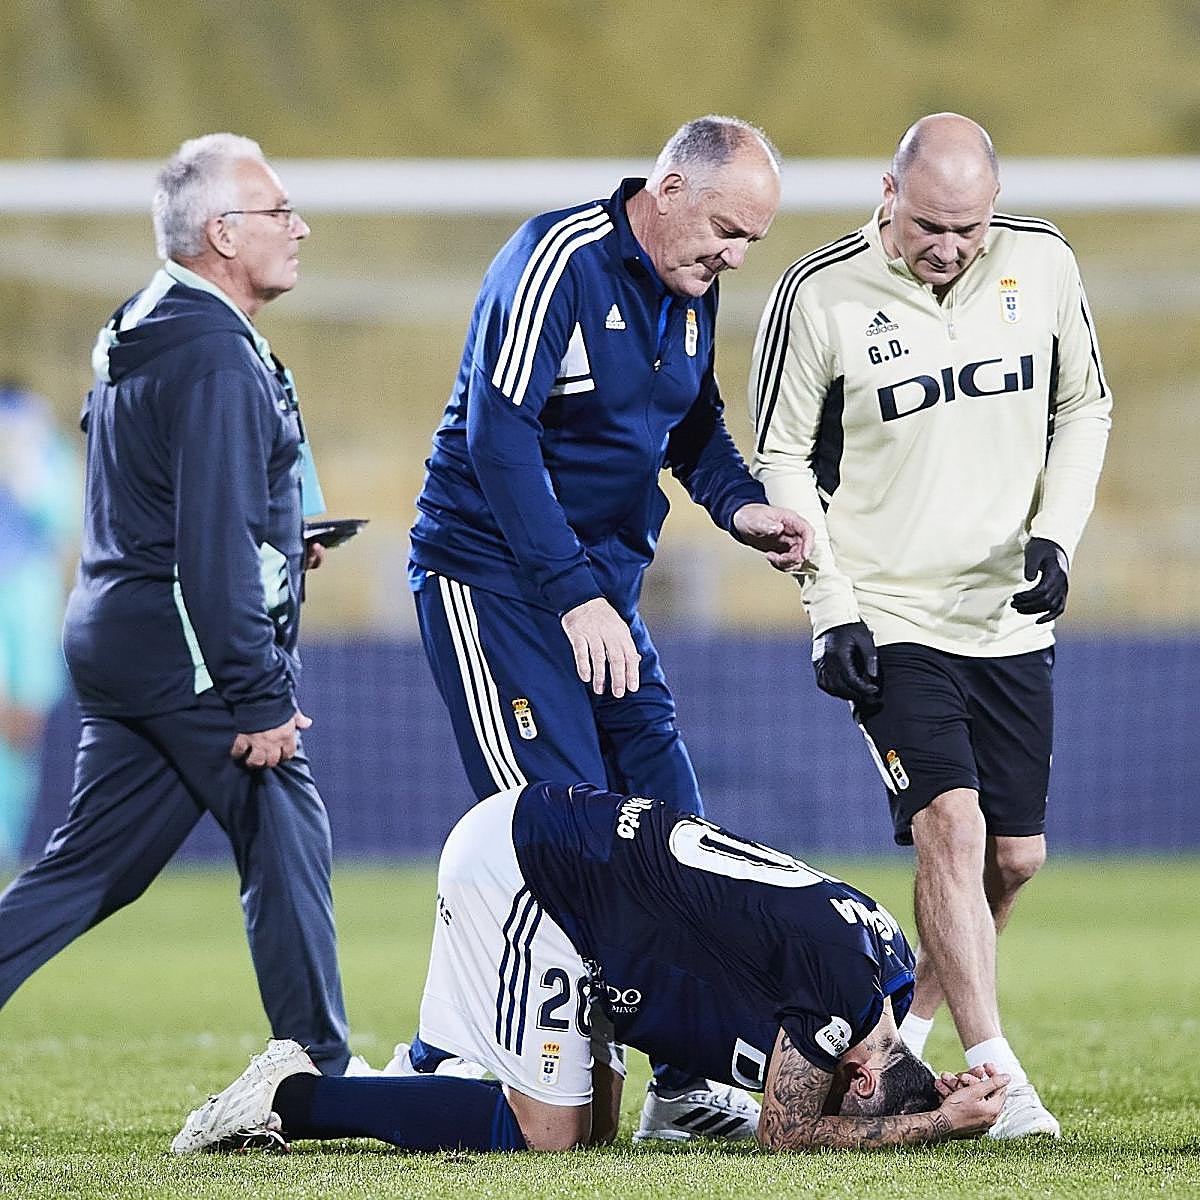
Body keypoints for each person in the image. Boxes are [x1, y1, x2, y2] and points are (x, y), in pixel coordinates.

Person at [407, 114, 813, 1140]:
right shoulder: (557, 260)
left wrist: (742, 506)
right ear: (669, 190)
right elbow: (497, 438)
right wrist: (572, 593)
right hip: (495, 582)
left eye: (751, 241)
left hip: (603, 595)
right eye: (726, 230)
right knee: (558, 834)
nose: (735, 256)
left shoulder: (691, 283)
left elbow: (694, 426)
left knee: (677, 828)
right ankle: (436, 1063)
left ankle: (684, 1084)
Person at [748, 113, 1111, 1139]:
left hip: (1006, 617)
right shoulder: (817, 292)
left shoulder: (1043, 262)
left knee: (1015, 858)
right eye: (928, 226)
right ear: (889, 193)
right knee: (950, 823)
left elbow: (1085, 407)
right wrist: (830, 606)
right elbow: (781, 455)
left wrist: (1058, 534)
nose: (948, 247)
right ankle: (1000, 1075)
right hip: (891, 611)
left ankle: (903, 1034)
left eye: (968, 227)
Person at [0, 134, 353, 1073]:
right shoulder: (217, 357)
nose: (300, 228)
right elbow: (208, 545)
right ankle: (317, 1068)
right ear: (224, 233)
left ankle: (315, 1059)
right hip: (181, 646)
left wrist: (284, 532)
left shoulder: (144, 319)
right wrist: (258, 694)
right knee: (284, 818)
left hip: (118, 627)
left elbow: (162, 490)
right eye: (280, 212)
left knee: (91, 870)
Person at [172, 780, 1009, 1155]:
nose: (809, 1087)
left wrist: (934, 1092)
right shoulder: (838, 999)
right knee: (548, 1135)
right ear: (860, 1077)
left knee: (592, 1132)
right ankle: (291, 1098)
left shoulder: (880, 970)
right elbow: (786, 1136)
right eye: (838, 1094)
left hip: (593, 890)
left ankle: (430, 1071)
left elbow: (844, 1081)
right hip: (535, 872)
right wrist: (936, 1125)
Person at [0, 380, 79, 863]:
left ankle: (6, 840)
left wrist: (24, 468)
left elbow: (61, 522)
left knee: (24, 721)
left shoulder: (46, 450)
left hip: (32, 592)